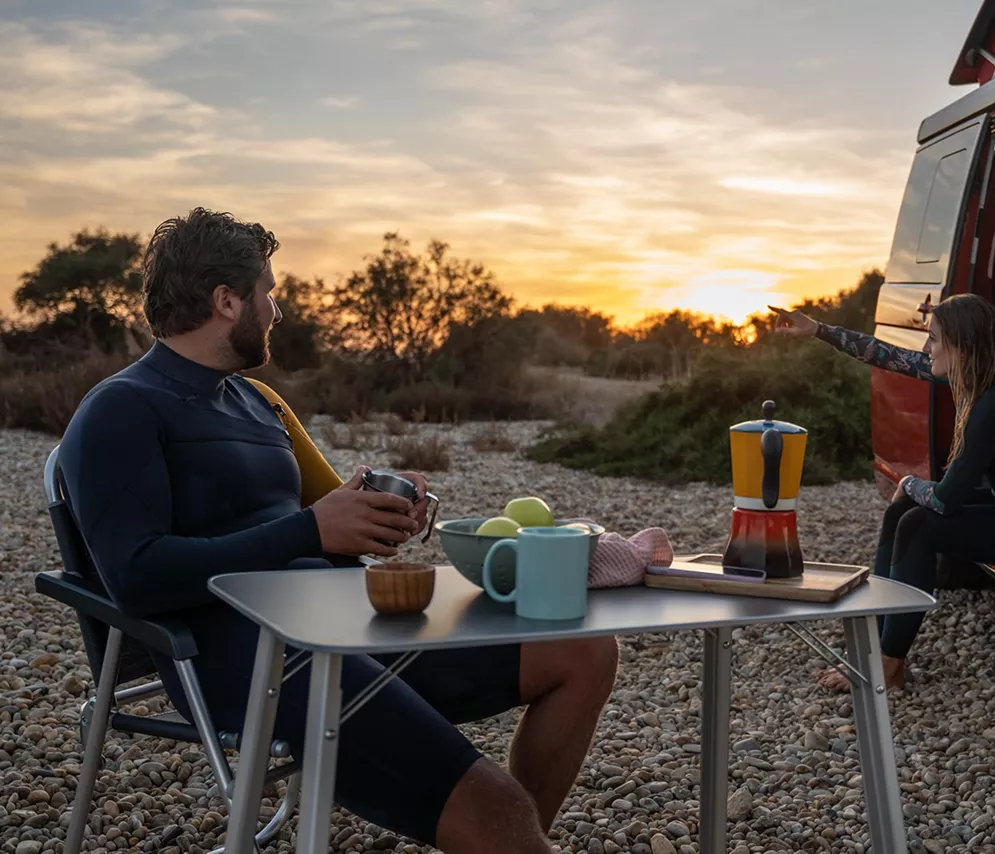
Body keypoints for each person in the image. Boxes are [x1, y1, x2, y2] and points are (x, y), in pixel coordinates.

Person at [58, 208, 619, 854]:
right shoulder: (122, 409)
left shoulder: (258, 403)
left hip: (350, 619)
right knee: (499, 812)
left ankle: (508, 841)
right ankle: (505, 835)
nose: (277, 310)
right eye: (268, 291)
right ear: (226, 300)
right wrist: (310, 534)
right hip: (260, 657)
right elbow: (137, 576)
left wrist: (382, 513)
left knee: (583, 652)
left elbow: (325, 516)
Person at [770, 294, 995, 691]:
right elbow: (885, 355)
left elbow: (946, 499)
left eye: (933, 339)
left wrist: (908, 483)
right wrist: (817, 329)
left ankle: (889, 668)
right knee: (899, 514)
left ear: (962, 344)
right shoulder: (974, 376)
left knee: (920, 523)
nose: (925, 349)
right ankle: (876, 651)